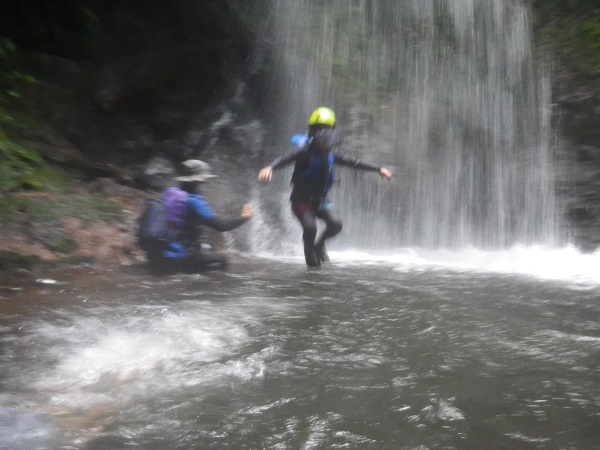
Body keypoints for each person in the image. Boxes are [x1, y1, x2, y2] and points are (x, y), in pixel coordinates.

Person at [258, 107, 393, 267]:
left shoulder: (332, 154)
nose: (327, 141)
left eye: (331, 137)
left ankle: (319, 245)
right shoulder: (305, 152)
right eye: (323, 137)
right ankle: (312, 266)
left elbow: (354, 162)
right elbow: (285, 159)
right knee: (310, 228)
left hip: (320, 201)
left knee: (336, 224)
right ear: (314, 136)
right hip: (301, 202)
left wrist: (378, 169)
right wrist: (270, 168)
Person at [147, 159, 252, 274]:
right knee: (222, 260)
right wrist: (244, 217)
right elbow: (222, 226)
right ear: (198, 181)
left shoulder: (170, 192)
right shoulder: (194, 202)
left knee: (206, 247)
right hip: (174, 260)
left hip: (155, 257)